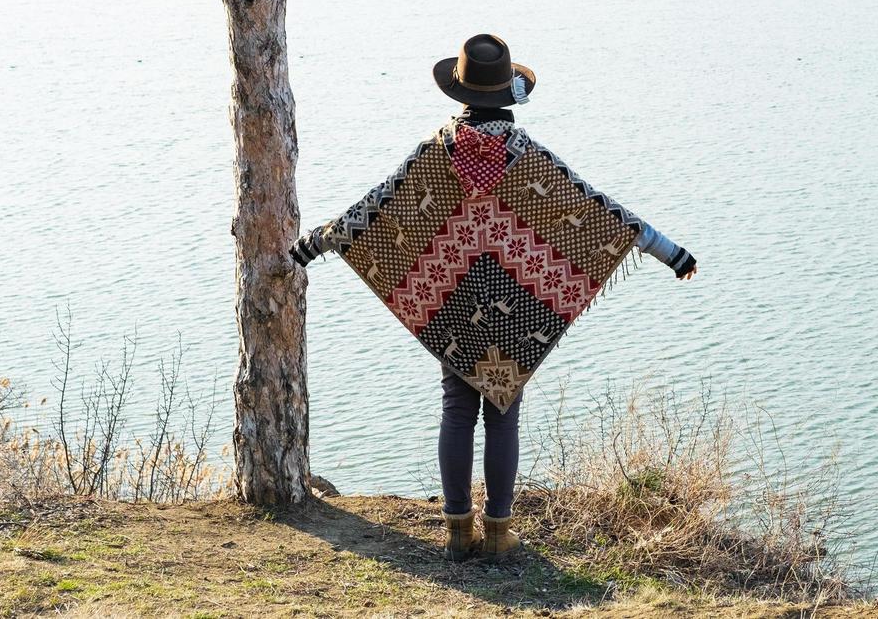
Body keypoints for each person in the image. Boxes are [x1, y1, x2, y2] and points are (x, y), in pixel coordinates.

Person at [290, 34, 697, 561]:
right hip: (518, 308)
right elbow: (601, 214)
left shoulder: (436, 152)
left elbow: (373, 209)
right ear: (509, 93)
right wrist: (672, 253)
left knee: (456, 408)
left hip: (452, 300)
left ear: (460, 92)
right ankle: (500, 532)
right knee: (504, 415)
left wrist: (312, 244)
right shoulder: (526, 156)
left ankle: (459, 530)